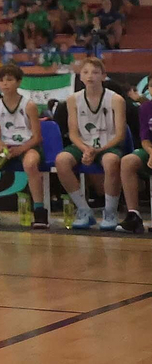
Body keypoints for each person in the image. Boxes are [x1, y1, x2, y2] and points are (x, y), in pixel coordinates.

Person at [54, 56, 127, 230]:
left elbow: (120, 134)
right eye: (85, 72)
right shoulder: (73, 100)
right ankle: (84, 210)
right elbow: (72, 133)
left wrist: (98, 150)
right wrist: (85, 149)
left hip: (108, 145)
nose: (90, 76)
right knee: (61, 160)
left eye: (95, 72)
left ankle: (110, 212)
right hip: (83, 145)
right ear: (80, 77)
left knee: (111, 161)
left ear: (103, 76)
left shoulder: (116, 100)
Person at [0, 63, 45, 228]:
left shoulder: (29, 105)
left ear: (19, 82)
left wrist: (21, 149)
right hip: (7, 147)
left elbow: (37, 137)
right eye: (1, 80)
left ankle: (40, 211)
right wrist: (0, 146)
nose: (5, 83)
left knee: (30, 164)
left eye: (9, 80)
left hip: (28, 146)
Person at [117, 104, 152, 234]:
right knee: (128, 161)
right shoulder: (145, 108)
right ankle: (134, 215)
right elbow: (145, 138)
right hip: (150, 150)